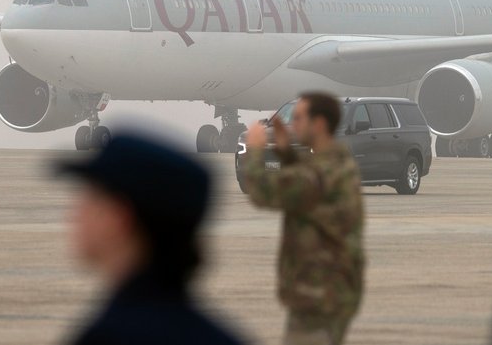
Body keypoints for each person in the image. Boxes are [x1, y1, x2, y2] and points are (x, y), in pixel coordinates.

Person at [54, 134, 246, 345]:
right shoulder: (222, 337)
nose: (74, 214)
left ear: (118, 218)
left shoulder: (109, 336)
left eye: (89, 199)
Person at [242, 91, 365, 345]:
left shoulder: (320, 174)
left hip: (318, 293)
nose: (292, 124)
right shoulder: (338, 161)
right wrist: (286, 152)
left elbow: (262, 193)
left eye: (298, 118)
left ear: (318, 124)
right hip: (334, 289)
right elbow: (306, 174)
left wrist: (254, 151)